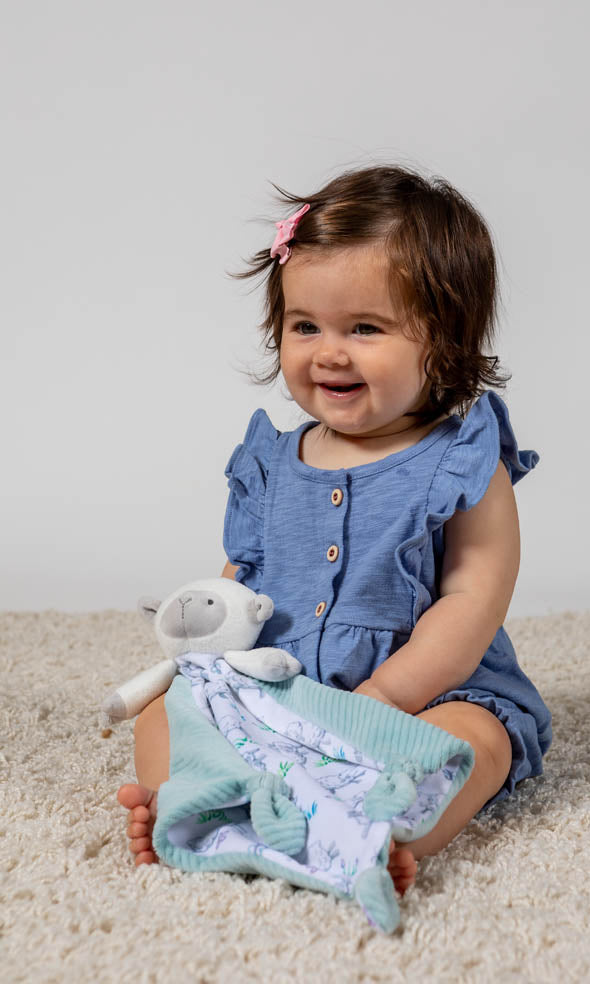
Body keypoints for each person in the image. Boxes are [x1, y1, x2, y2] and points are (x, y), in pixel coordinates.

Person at [118, 165, 552, 897]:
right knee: (166, 714)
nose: (328, 351)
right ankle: (203, 805)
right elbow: (242, 578)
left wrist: (384, 700)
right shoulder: (272, 462)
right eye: (304, 326)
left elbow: (472, 602)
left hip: (418, 697)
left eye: (364, 328)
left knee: (475, 745)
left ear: (444, 341)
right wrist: (212, 664)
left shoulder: (460, 460)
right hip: (287, 693)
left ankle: (384, 832)